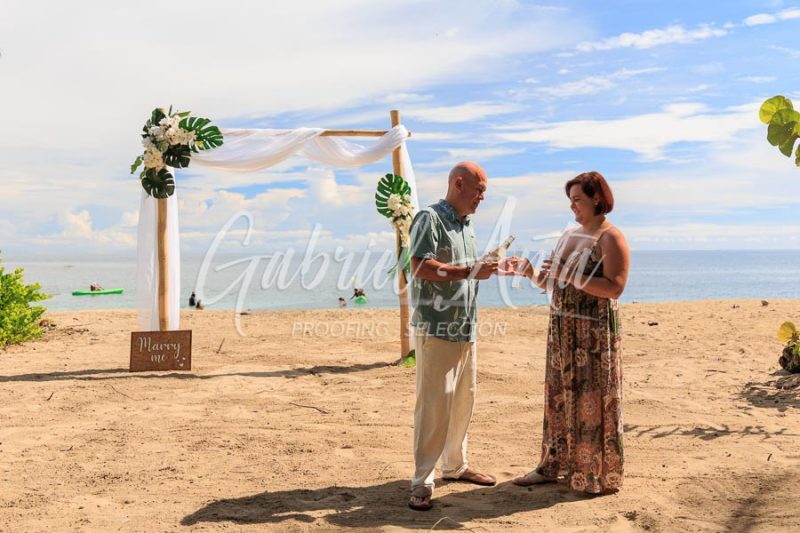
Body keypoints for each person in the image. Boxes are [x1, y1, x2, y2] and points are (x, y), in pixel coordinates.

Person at [504, 171, 630, 495]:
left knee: (591, 398)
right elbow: (551, 283)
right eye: (570, 200)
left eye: (578, 199)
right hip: (562, 329)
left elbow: (615, 287)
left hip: (593, 334)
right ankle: (552, 465)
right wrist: (530, 272)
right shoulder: (569, 235)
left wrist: (568, 276)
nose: (573, 206)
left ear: (597, 199)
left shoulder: (610, 237)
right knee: (558, 398)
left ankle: (591, 473)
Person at [407, 161, 502, 511]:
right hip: (437, 326)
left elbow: (465, 272)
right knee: (434, 406)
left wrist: (483, 265)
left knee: (464, 400)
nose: (483, 197)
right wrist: (470, 270)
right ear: (458, 184)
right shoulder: (428, 219)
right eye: (479, 190)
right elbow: (418, 266)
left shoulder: (467, 225)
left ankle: (455, 464)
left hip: (465, 327)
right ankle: (422, 480)